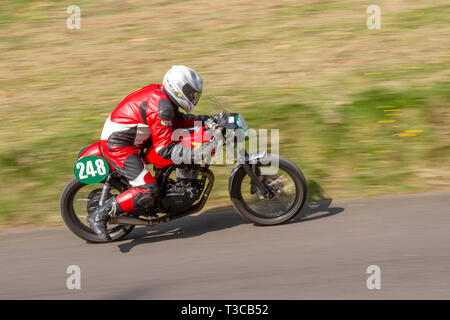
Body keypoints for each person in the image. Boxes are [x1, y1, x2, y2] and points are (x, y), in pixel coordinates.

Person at [86, 65, 213, 240]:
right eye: (190, 92)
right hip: (120, 145)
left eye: (194, 94)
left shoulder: (165, 99)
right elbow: (164, 149)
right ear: (177, 88)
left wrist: (208, 120)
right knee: (148, 190)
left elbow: (179, 121)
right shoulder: (162, 105)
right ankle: (99, 215)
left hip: (134, 139)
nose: (192, 97)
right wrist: (196, 151)